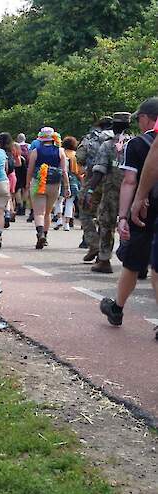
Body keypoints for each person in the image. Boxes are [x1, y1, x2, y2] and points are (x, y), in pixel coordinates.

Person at [100, 97, 158, 340]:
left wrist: (122, 216)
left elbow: (129, 181)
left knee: (134, 264)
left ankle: (117, 308)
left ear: (146, 118)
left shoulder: (137, 144)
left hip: (145, 210)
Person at [88, 113, 132, 273]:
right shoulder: (135, 143)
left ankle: (104, 259)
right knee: (134, 225)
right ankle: (137, 261)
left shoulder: (107, 145)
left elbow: (99, 170)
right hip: (133, 191)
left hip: (112, 190)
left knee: (107, 223)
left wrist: (90, 190)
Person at [25, 127, 70, 249]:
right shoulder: (60, 151)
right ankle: (45, 235)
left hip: (38, 183)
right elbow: (64, 171)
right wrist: (67, 187)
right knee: (48, 212)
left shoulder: (36, 151)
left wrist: (27, 183)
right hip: (54, 184)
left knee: (39, 212)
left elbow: (30, 169)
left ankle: (39, 233)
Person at [77, 116, 114, 254]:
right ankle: (105, 253)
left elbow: (80, 157)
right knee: (108, 216)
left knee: (85, 211)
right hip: (113, 180)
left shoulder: (91, 137)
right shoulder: (121, 138)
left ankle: (93, 243)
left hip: (93, 178)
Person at [55, 136, 83, 232]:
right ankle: (67, 224)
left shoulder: (60, 153)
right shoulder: (76, 155)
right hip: (73, 179)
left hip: (60, 178)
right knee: (70, 202)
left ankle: (59, 219)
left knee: (59, 200)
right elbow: (78, 171)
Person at [14, 133, 30, 220]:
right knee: (25, 187)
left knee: (17, 188)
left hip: (17, 168)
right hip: (26, 168)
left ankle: (19, 205)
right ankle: (24, 205)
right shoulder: (29, 146)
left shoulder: (15, 146)